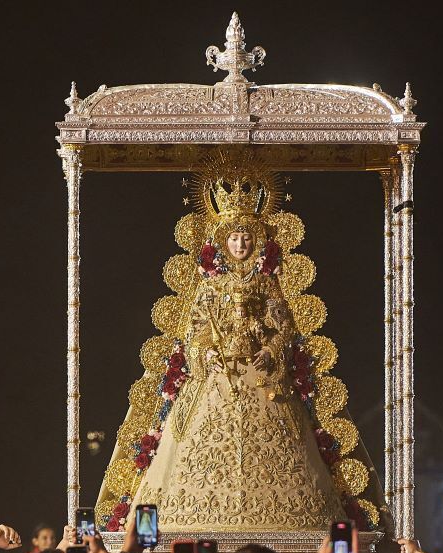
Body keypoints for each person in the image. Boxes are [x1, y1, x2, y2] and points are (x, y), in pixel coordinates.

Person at [93, 157, 385, 532]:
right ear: (223, 243)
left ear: (256, 241)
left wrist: (270, 350)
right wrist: (206, 353)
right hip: (216, 376)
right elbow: (195, 331)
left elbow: (284, 327)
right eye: (234, 238)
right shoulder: (210, 286)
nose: (241, 244)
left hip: (264, 378)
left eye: (246, 238)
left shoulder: (266, 284)